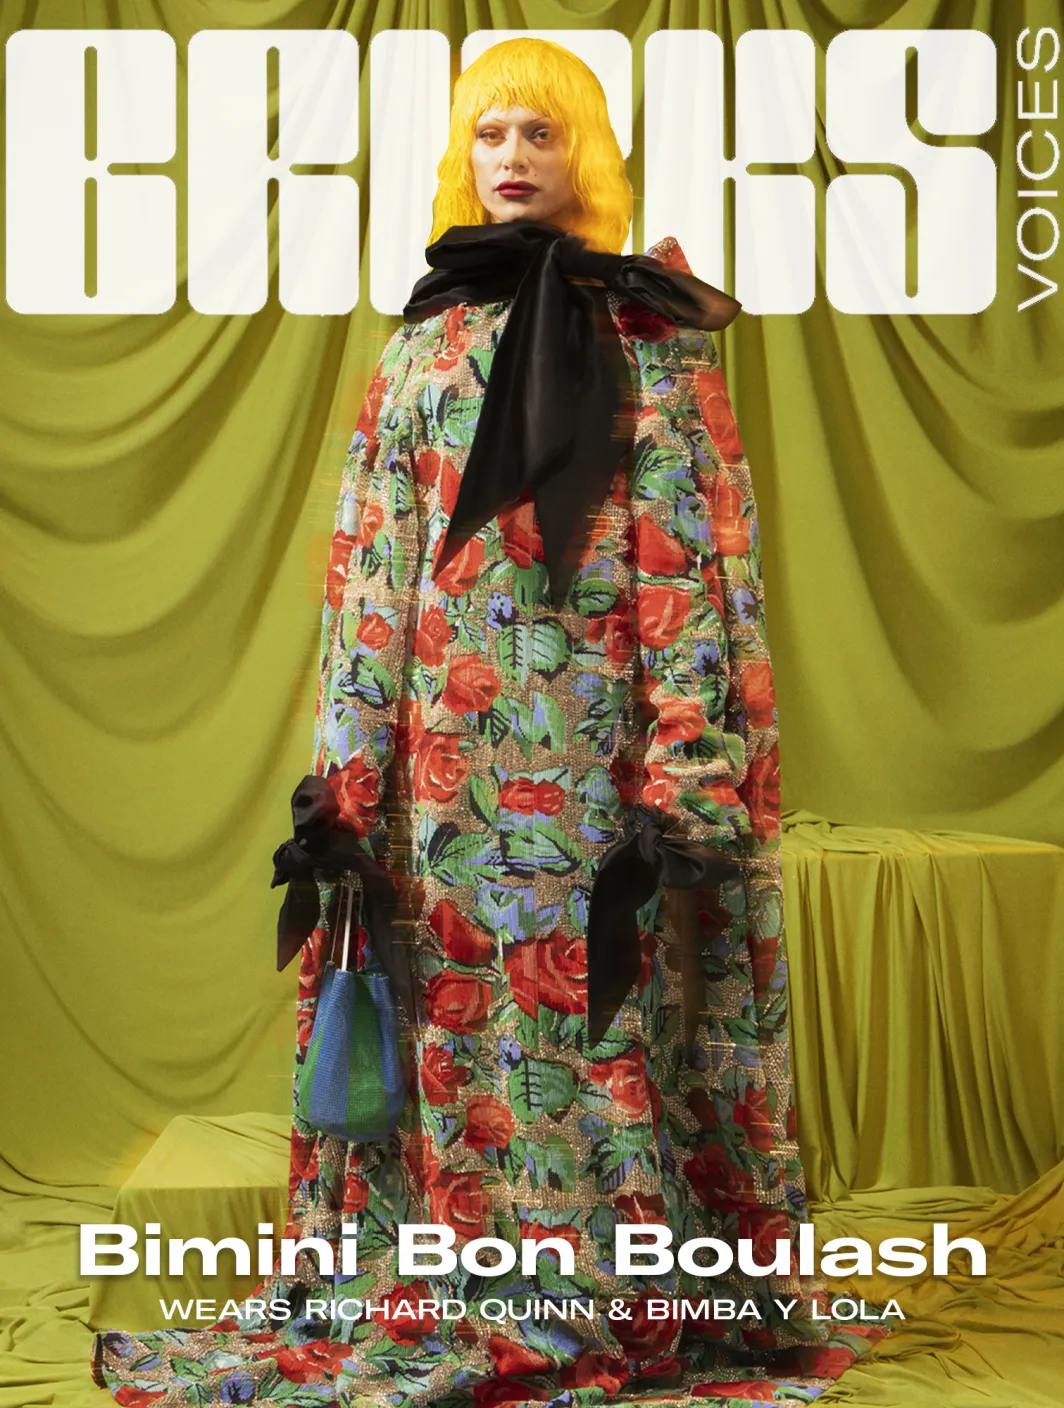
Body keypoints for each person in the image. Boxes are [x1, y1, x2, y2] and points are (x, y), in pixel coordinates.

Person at [91, 37, 887, 1408]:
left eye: (542, 132)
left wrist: (685, 764)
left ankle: (605, 1297)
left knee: (587, 1021)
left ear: (588, 154)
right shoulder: (423, 345)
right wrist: (345, 782)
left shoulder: (653, 337)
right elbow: (371, 569)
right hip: (440, 768)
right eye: (490, 133)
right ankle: (447, 1280)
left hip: (594, 758)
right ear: (462, 155)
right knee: (456, 1026)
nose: (512, 157)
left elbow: (691, 566)